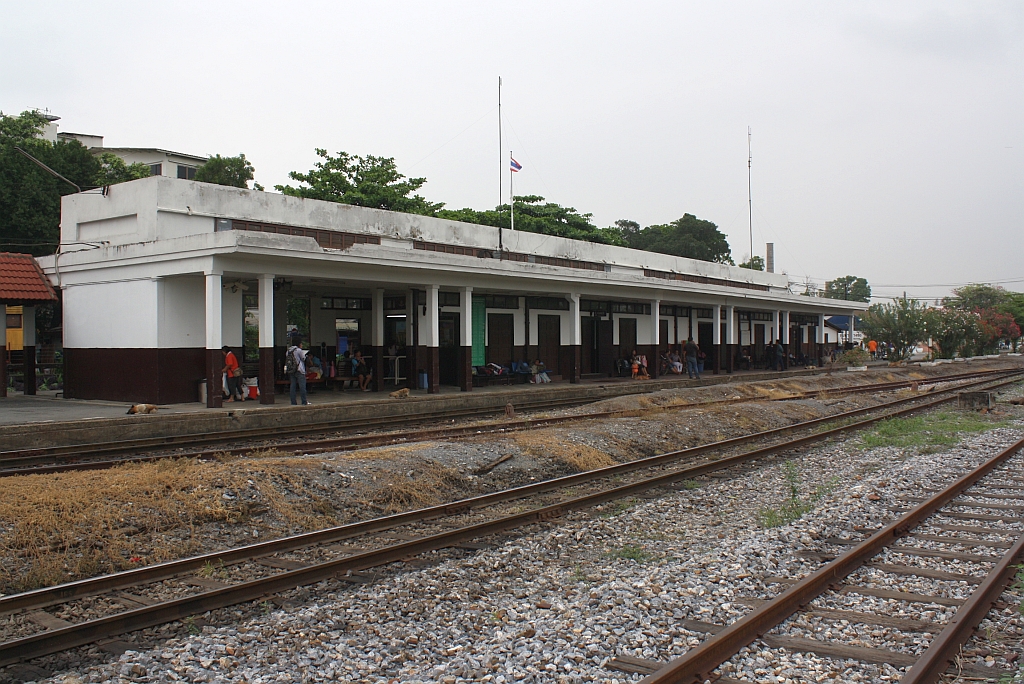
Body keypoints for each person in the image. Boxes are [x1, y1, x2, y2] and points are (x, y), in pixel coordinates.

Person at [286, 338, 309, 405]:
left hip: (291, 370)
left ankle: (293, 402)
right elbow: (303, 358)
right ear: (299, 344)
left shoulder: (288, 351)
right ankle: (304, 401)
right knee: (302, 386)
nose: (302, 345)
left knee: (292, 385)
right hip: (299, 370)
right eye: (301, 343)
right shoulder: (299, 350)